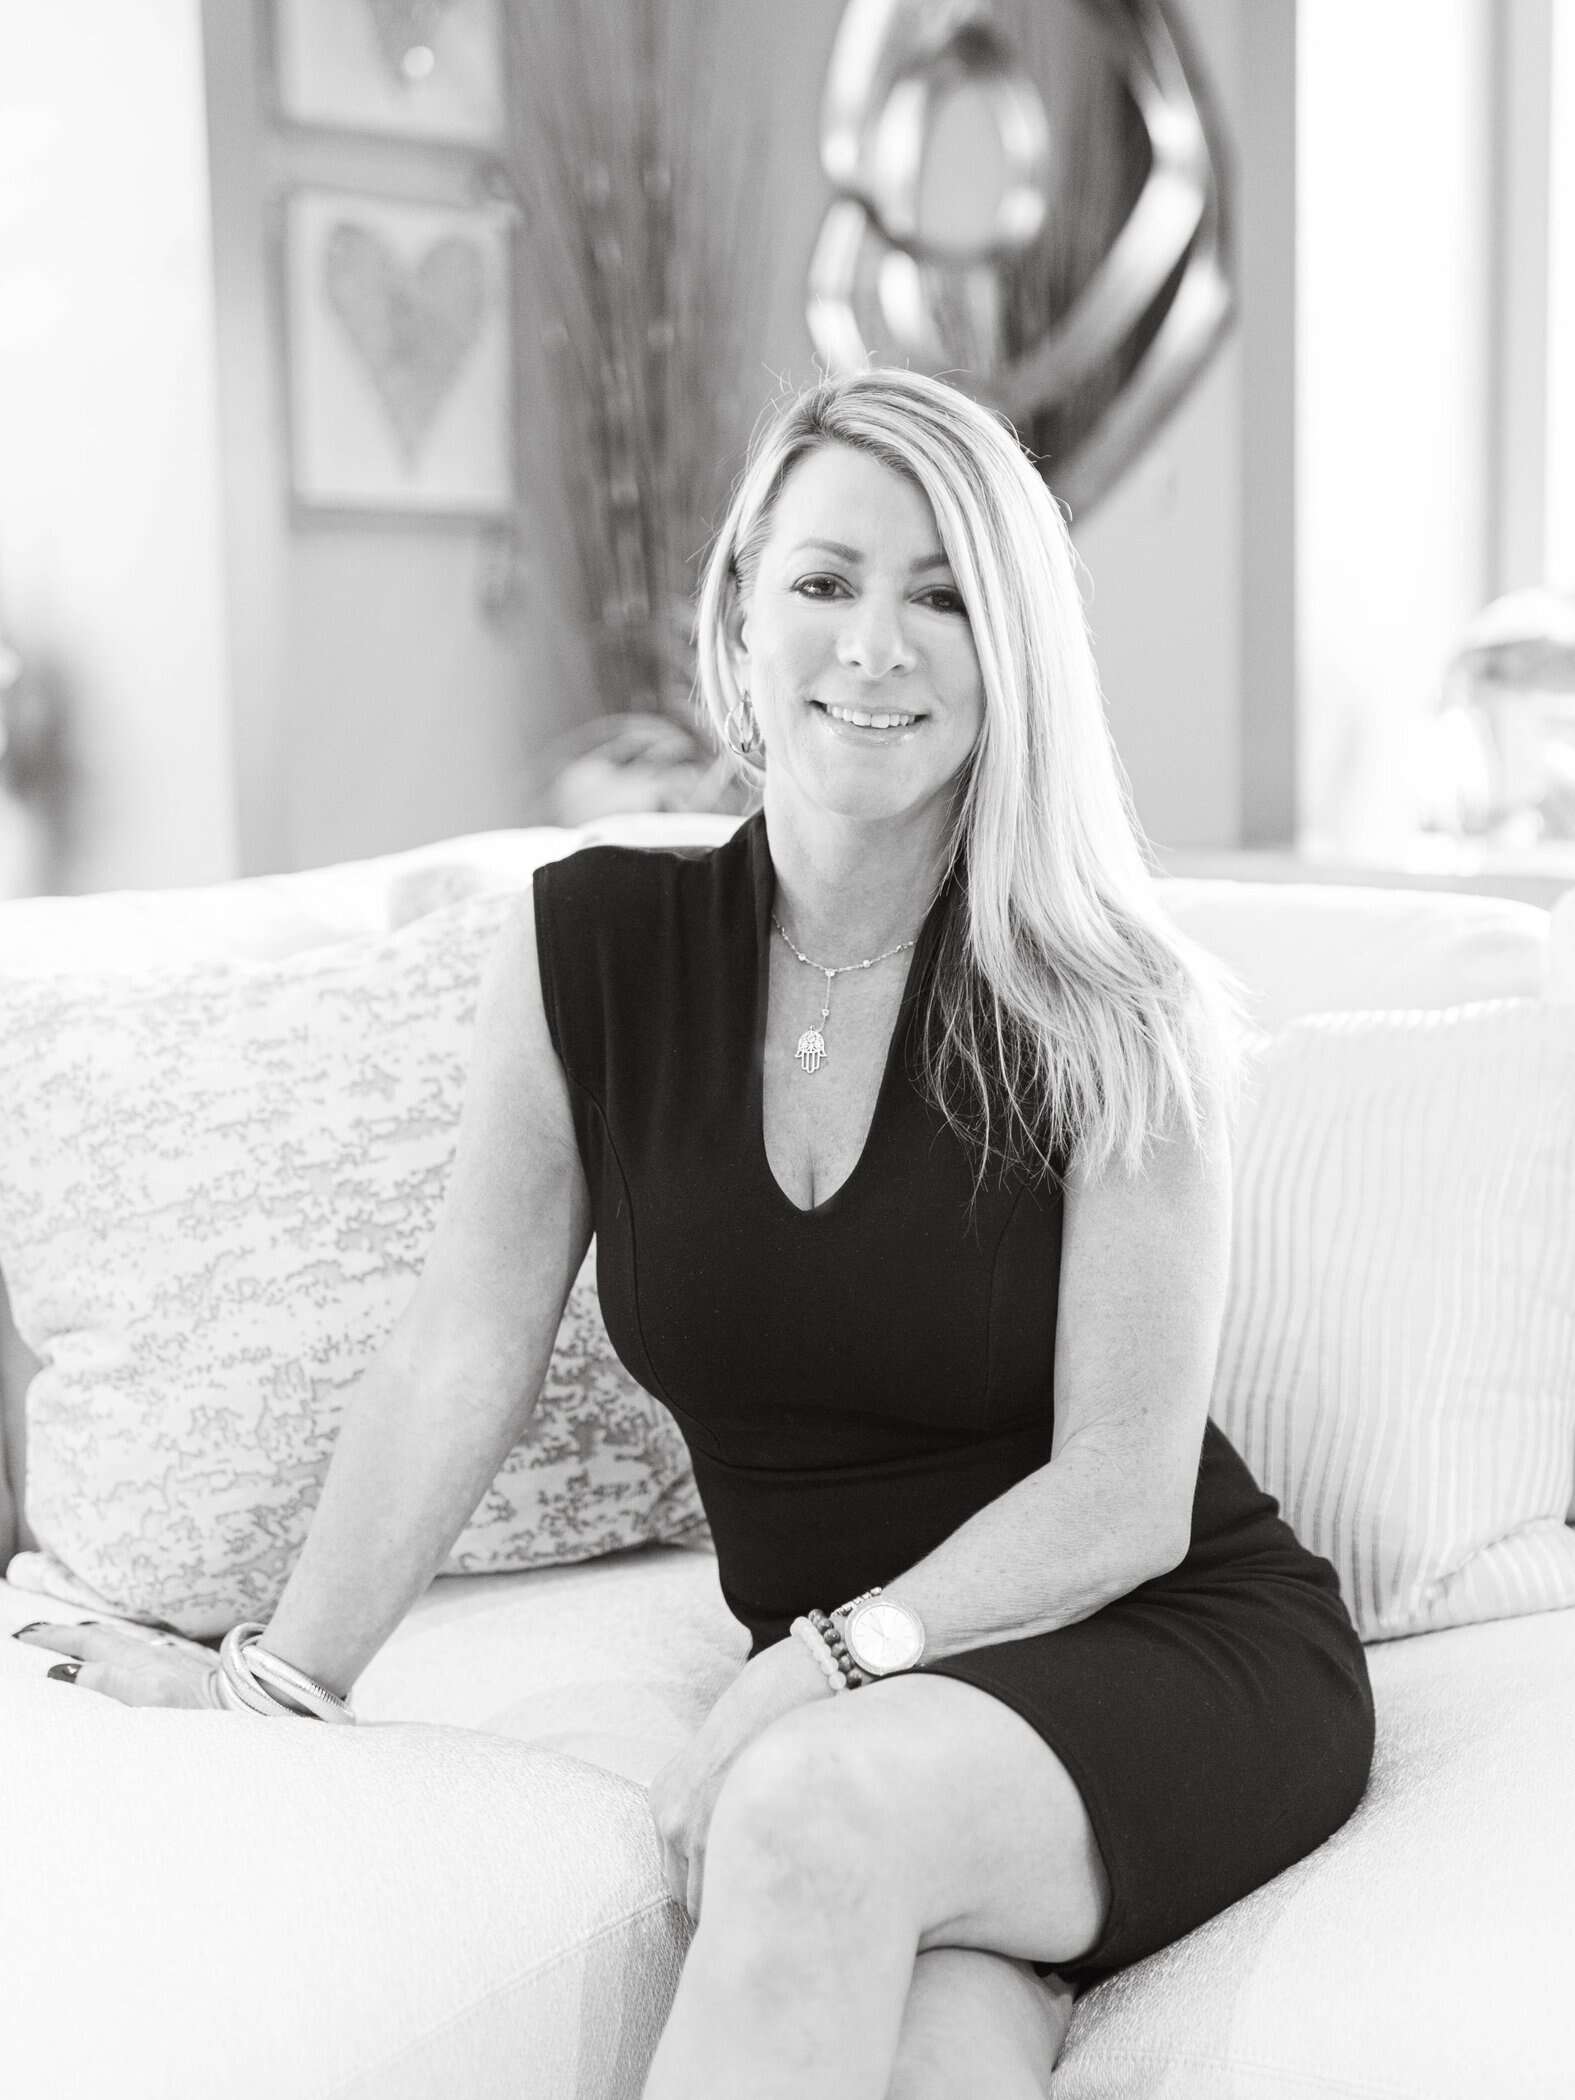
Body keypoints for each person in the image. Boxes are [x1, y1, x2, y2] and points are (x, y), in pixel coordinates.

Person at [14, 366, 1375, 2098]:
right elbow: (468, 1338)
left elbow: (1122, 1489)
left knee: (804, 1813)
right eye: (825, 581)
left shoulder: (1113, 1001)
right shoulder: (591, 946)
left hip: (1171, 1647)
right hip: (894, 1724)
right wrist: (274, 1687)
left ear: (1015, 655)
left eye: (944, 594)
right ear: (738, 619)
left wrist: (816, 1668)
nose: (876, 646)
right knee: (940, 2044)